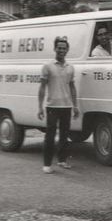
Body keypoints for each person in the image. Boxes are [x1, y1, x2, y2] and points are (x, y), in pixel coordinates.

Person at [37, 37, 79, 174]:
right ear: (55, 49)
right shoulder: (48, 66)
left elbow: (72, 87)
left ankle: (62, 160)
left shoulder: (70, 68)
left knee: (64, 135)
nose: (61, 50)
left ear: (67, 50)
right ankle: (47, 164)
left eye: (64, 48)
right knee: (50, 136)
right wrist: (40, 107)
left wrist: (75, 105)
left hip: (66, 106)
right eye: (59, 48)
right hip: (52, 107)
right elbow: (42, 88)